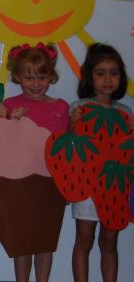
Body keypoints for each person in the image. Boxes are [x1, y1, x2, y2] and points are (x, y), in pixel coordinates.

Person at [0, 43, 69, 282]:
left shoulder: (61, 107)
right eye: (29, 77)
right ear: (17, 77)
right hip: (20, 184)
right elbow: (2, 145)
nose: (36, 83)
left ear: (51, 76)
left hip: (51, 185)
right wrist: (10, 120)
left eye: (41, 77)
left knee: (46, 242)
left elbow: (66, 149)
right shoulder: (11, 106)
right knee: (23, 242)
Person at [69, 43, 131, 282]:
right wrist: (73, 125)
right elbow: (70, 149)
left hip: (115, 185)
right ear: (89, 76)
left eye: (114, 73)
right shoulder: (79, 108)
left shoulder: (125, 112)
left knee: (110, 242)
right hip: (87, 187)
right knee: (84, 241)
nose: (108, 79)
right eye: (100, 73)